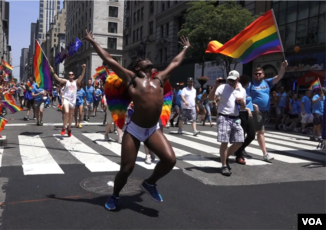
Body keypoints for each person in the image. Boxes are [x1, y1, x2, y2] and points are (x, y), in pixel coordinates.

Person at [84, 29, 190, 210]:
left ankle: (150, 183)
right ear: (138, 67)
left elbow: (175, 62)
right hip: (134, 130)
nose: (148, 60)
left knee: (170, 160)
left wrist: (186, 48)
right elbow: (110, 60)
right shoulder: (131, 78)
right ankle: (115, 195)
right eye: (144, 60)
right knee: (126, 169)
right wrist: (93, 42)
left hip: (152, 129)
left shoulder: (159, 78)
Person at [208, 70, 246, 176]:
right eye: (229, 79)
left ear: (238, 79)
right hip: (224, 117)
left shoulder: (242, 90)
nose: (231, 82)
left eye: (233, 80)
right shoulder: (222, 87)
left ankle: (225, 157)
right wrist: (215, 85)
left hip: (236, 118)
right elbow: (210, 99)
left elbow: (243, 108)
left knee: (240, 141)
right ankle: (224, 165)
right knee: (224, 141)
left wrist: (242, 102)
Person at [249, 61, 288, 162]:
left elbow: (279, 76)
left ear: (263, 74)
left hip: (266, 111)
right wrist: (253, 105)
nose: (258, 75)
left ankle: (240, 148)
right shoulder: (251, 84)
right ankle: (265, 154)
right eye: (256, 74)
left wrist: (283, 67)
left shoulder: (267, 82)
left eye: (260, 73)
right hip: (256, 111)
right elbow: (245, 96)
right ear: (253, 75)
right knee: (261, 132)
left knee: (252, 133)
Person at [50, 64, 86, 137]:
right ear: (68, 76)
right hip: (66, 98)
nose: (70, 75)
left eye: (72, 74)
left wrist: (84, 69)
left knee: (70, 116)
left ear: (73, 76)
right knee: (66, 112)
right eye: (69, 74)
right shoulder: (66, 81)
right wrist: (53, 71)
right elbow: (58, 78)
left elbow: (82, 76)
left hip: (72, 100)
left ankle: (69, 128)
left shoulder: (76, 82)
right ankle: (64, 127)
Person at [234, 75, 255, 165]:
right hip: (241, 113)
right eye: (247, 83)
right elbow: (237, 102)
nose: (249, 85)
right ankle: (239, 155)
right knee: (241, 135)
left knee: (252, 135)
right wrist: (247, 109)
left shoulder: (244, 90)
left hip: (249, 114)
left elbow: (247, 100)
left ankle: (239, 149)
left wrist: (253, 106)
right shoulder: (237, 89)